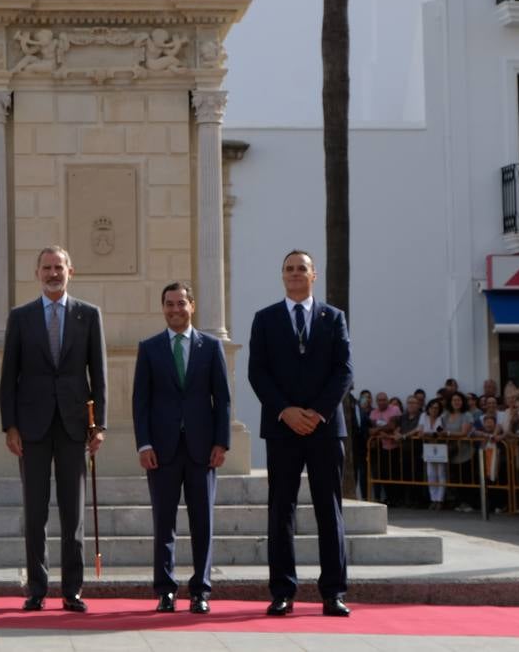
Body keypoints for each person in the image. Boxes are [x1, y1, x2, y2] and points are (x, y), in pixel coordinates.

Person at [1, 245, 107, 613]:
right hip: (31, 427)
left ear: (70, 271)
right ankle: (36, 588)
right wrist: (10, 426)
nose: (52, 273)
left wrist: (100, 425)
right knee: (35, 513)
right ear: (37, 273)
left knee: (73, 515)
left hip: (74, 426)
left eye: (58, 267)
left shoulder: (89, 316)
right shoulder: (20, 317)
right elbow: (8, 377)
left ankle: (72, 591)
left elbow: (99, 375)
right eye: (46, 267)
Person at [248, 250, 353, 618]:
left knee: (330, 510)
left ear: (314, 275)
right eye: (289, 269)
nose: (295, 274)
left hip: (325, 429)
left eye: (301, 269)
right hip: (282, 428)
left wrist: (318, 413)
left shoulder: (333, 317)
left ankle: (333, 592)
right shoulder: (265, 319)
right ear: (282, 276)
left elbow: (344, 370)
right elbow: (257, 373)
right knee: (281, 510)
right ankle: (282, 592)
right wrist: (287, 411)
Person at [132, 281, 230, 614]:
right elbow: (140, 402)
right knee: (164, 523)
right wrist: (143, 443)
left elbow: (223, 399)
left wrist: (222, 442)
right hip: (162, 450)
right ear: (163, 308)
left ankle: (201, 590)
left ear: (192, 306)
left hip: (203, 450)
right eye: (169, 304)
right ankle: (165, 590)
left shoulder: (211, 347)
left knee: (203, 522)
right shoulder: (149, 348)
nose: (175, 309)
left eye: (181, 303)